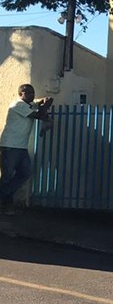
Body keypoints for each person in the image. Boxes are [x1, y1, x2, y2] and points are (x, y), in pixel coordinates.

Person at [0, 84, 53, 214]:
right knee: (6, 176)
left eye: (33, 93)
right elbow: (38, 115)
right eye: (28, 93)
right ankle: (5, 202)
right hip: (10, 146)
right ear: (21, 94)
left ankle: (4, 197)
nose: (32, 95)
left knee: (25, 173)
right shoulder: (17, 105)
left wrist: (44, 102)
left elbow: (41, 104)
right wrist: (45, 107)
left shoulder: (28, 105)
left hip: (21, 147)